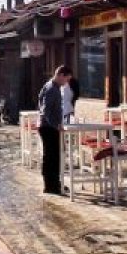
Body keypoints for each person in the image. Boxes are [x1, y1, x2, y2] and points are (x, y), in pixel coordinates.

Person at [38, 65, 71, 195]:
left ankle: (54, 184)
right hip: (48, 127)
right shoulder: (52, 88)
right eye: (66, 79)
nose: (66, 82)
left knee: (52, 157)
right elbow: (45, 110)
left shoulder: (51, 86)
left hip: (48, 126)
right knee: (52, 157)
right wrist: (55, 125)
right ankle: (51, 186)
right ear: (61, 75)